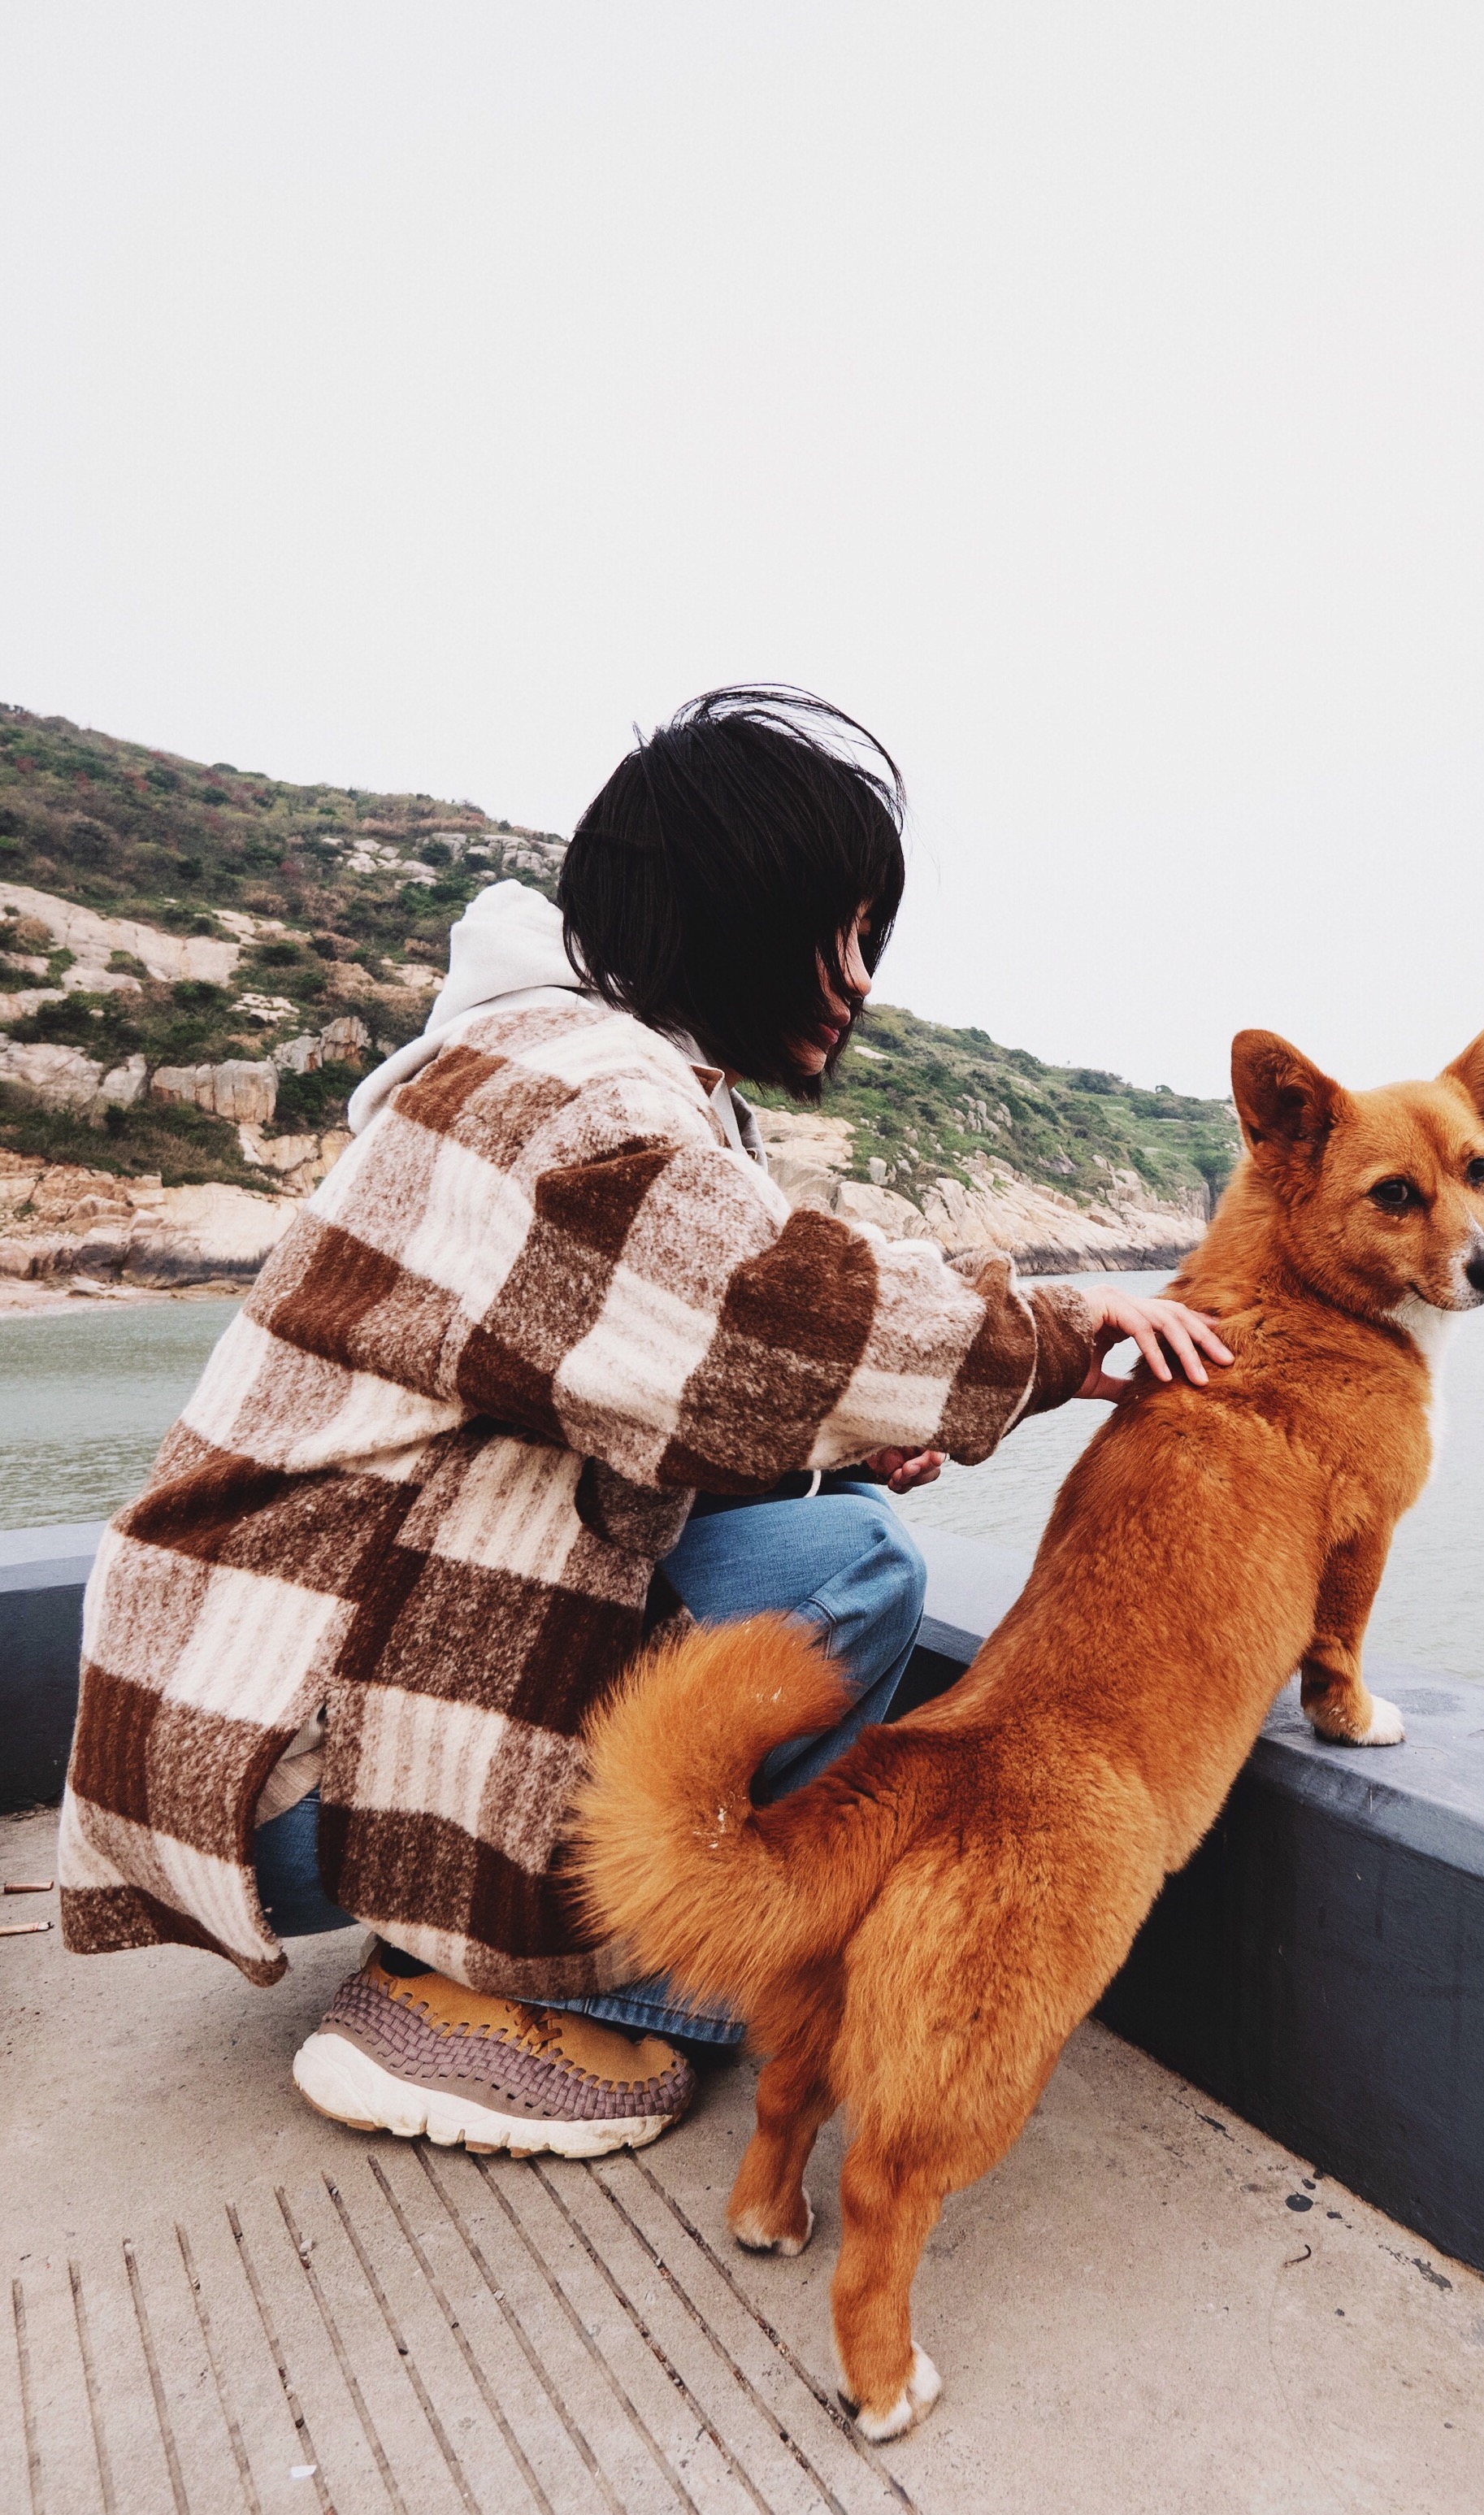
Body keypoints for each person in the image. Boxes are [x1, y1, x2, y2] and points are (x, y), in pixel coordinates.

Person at [57, 687, 1230, 2159]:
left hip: (253, 1715)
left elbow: (634, 1383)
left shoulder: (544, 1063)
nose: (859, 979)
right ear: (736, 916)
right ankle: (572, 2004)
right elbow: (760, 1321)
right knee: (849, 1572)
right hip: (276, 1762)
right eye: (841, 930)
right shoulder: (575, 1093)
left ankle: (464, 1939)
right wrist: (1052, 1337)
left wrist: (847, 1435)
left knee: (824, 1513)